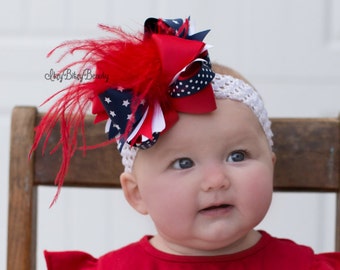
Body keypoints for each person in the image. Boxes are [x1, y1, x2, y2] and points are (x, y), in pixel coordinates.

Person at [32, 16, 340, 269]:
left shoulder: (302, 265)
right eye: (183, 163)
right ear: (137, 193)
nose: (216, 181)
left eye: (237, 156)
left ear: (270, 166)